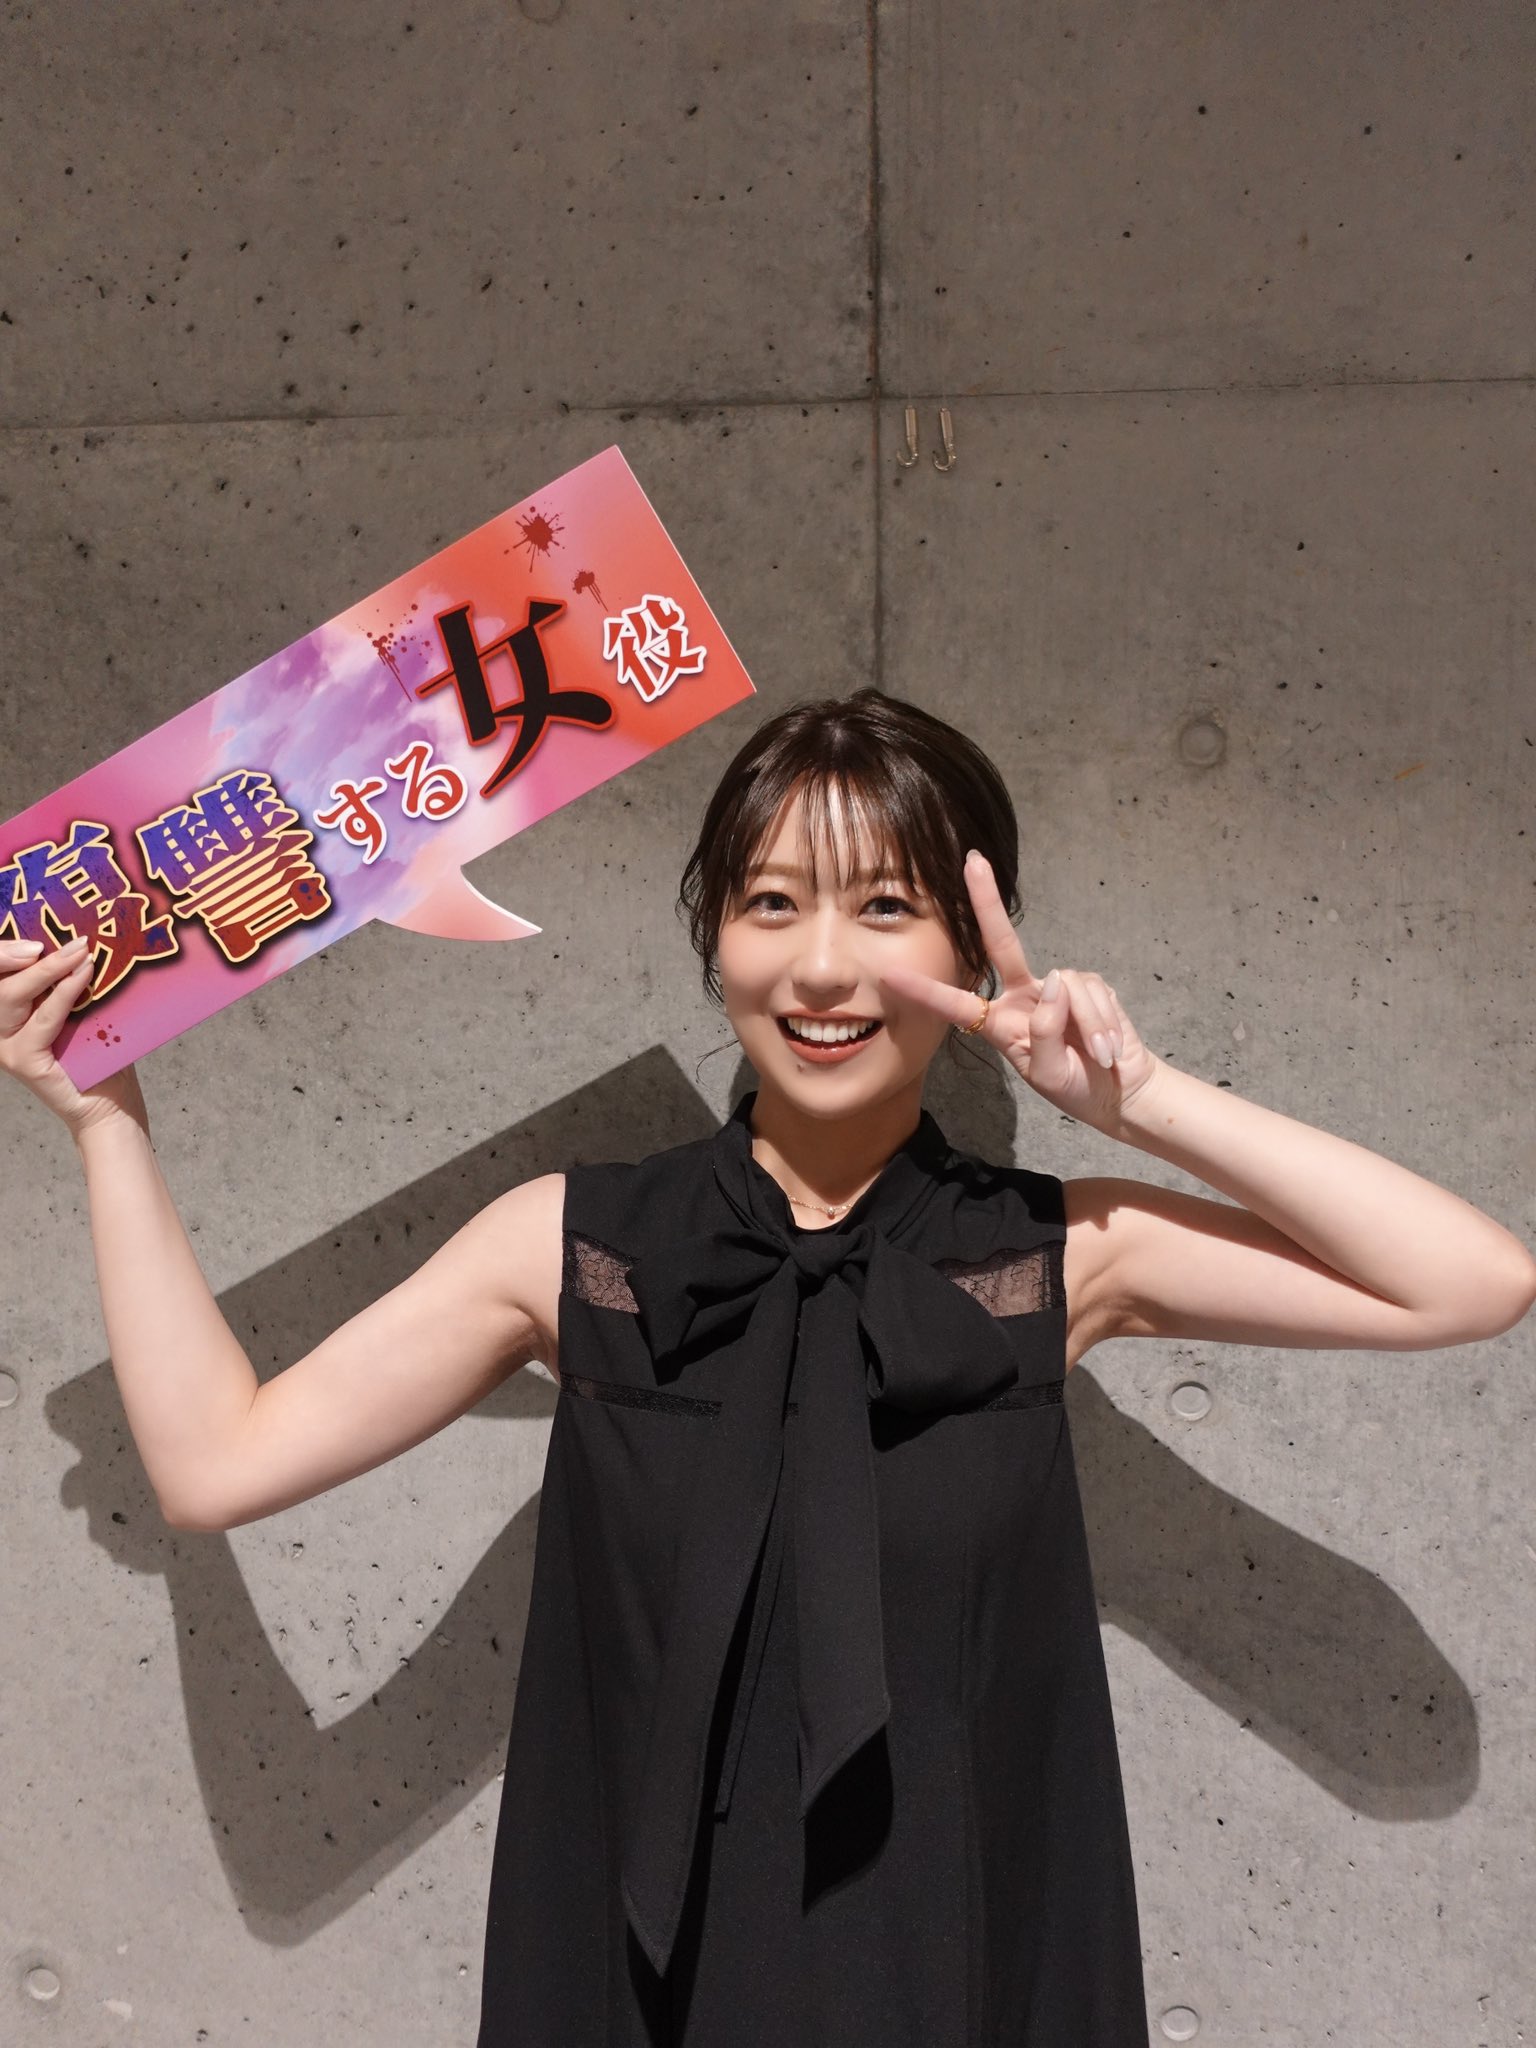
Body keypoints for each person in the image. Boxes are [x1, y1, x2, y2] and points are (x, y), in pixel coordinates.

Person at [4, 685, 1533, 2047]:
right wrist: (105, 1127)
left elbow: (1473, 1282)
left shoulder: (1051, 1258)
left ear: (970, 946)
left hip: (958, 1978)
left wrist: (1141, 1104)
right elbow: (214, 1463)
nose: (819, 967)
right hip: (645, 1992)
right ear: (714, 938)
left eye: (885, 907)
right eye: (772, 903)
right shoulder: (578, 1250)